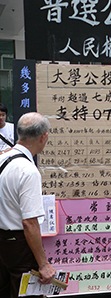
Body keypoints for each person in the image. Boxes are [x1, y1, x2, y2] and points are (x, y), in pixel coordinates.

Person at [0, 112, 56, 298]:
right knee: (26, 292)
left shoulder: (2, 157)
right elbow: (29, 223)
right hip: (19, 244)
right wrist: (43, 264)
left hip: (2, 240)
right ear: (44, 136)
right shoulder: (28, 171)